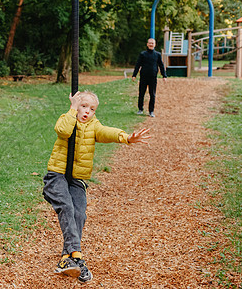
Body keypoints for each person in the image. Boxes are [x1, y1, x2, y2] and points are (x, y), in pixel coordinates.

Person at [43, 91, 150, 282]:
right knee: (66, 207)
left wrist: (126, 138)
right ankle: (77, 256)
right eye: (83, 106)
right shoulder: (67, 118)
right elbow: (63, 131)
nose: (87, 111)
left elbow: (107, 132)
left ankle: (66, 259)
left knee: (79, 213)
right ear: (76, 105)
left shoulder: (94, 126)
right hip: (57, 175)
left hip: (76, 179)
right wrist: (72, 109)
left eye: (92, 109)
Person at [132, 38, 167, 118]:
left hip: (153, 78)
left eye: (152, 43)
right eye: (150, 43)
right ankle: (140, 109)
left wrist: (164, 76)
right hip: (143, 77)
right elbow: (138, 65)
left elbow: (161, 65)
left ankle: (151, 111)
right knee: (141, 93)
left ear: (155, 45)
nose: (151, 44)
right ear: (147, 44)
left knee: (152, 95)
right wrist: (134, 75)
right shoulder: (143, 54)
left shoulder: (157, 55)